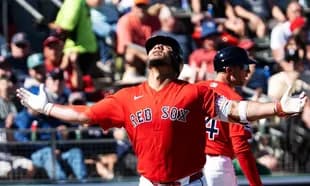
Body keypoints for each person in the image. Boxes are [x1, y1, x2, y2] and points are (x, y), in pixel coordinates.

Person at [16, 35, 307, 186]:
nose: (158, 48)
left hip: (191, 182)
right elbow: (84, 115)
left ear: (177, 61)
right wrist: (46, 107)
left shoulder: (193, 91)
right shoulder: (127, 97)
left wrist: (278, 107)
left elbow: (238, 109)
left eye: (165, 47)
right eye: (154, 47)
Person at [197, 46, 262, 186]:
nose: (248, 71)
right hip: (218, 167)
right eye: (244, 66)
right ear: (229, 70)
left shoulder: (196, 89)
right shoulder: (234, 99)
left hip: (191, 166)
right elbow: (241, 148)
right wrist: (256, 183)